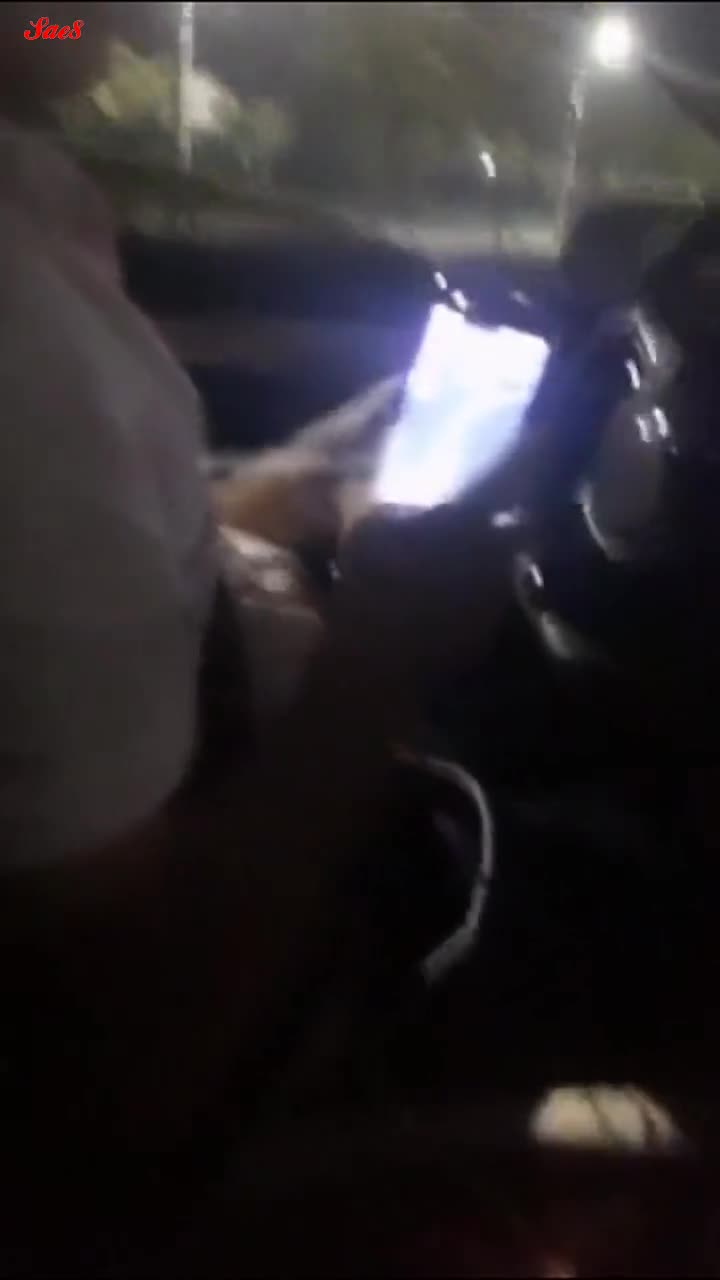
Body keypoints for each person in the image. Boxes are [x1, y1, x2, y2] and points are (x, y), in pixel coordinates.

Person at [0, 3, 514, 1157]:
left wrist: (279, 492)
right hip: (267, 1012)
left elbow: (100, 577)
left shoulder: (33, 200)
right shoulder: (22, 344)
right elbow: (127, 1048)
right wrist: (384, 649)